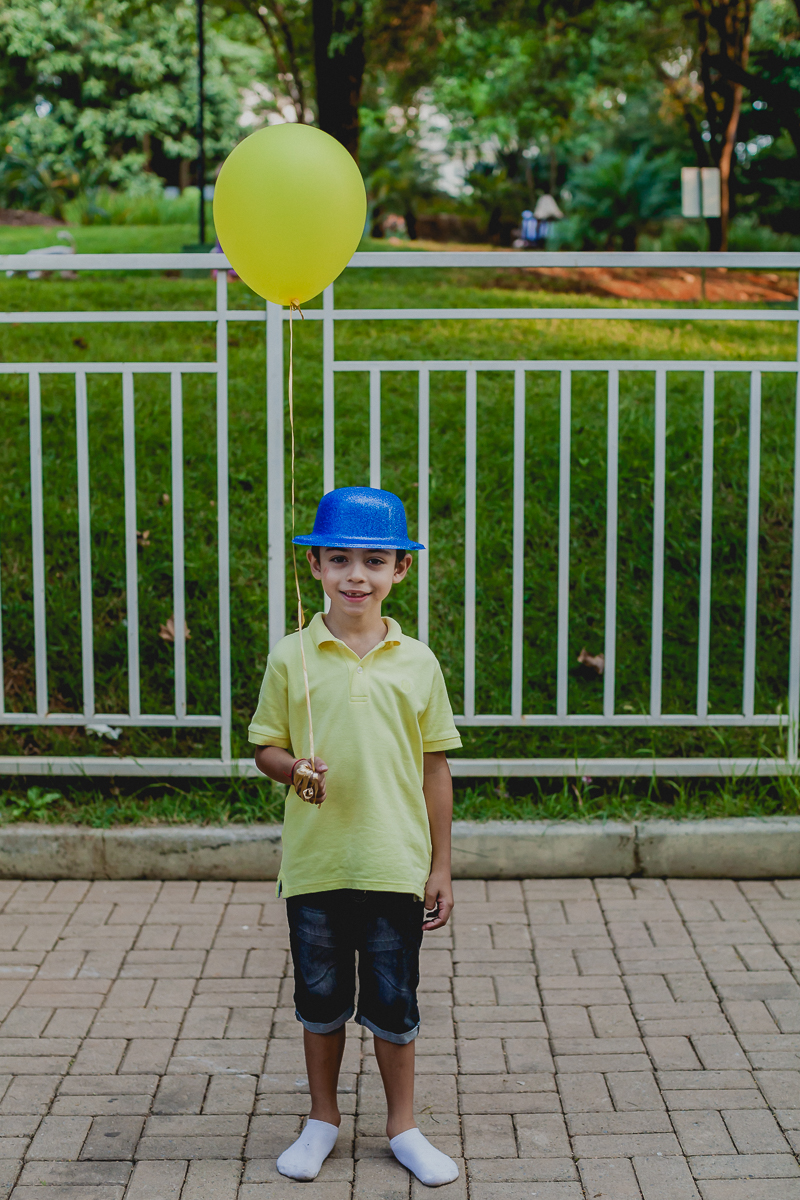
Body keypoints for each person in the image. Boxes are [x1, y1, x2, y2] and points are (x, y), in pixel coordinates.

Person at [249, 486, 462, 1188]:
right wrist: (295, 771)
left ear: (402, 569)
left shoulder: (418, 661)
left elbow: (435, 769)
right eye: (338, 558)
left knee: (395, 1002)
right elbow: (265, 748)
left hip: (394, 863)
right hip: (316, 864)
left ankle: (403, 1126)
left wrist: (441, 866)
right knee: (320, 998)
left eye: (374, 560)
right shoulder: (294, 658)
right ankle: (322, 1118)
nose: (355, 575)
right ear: (315, 567)